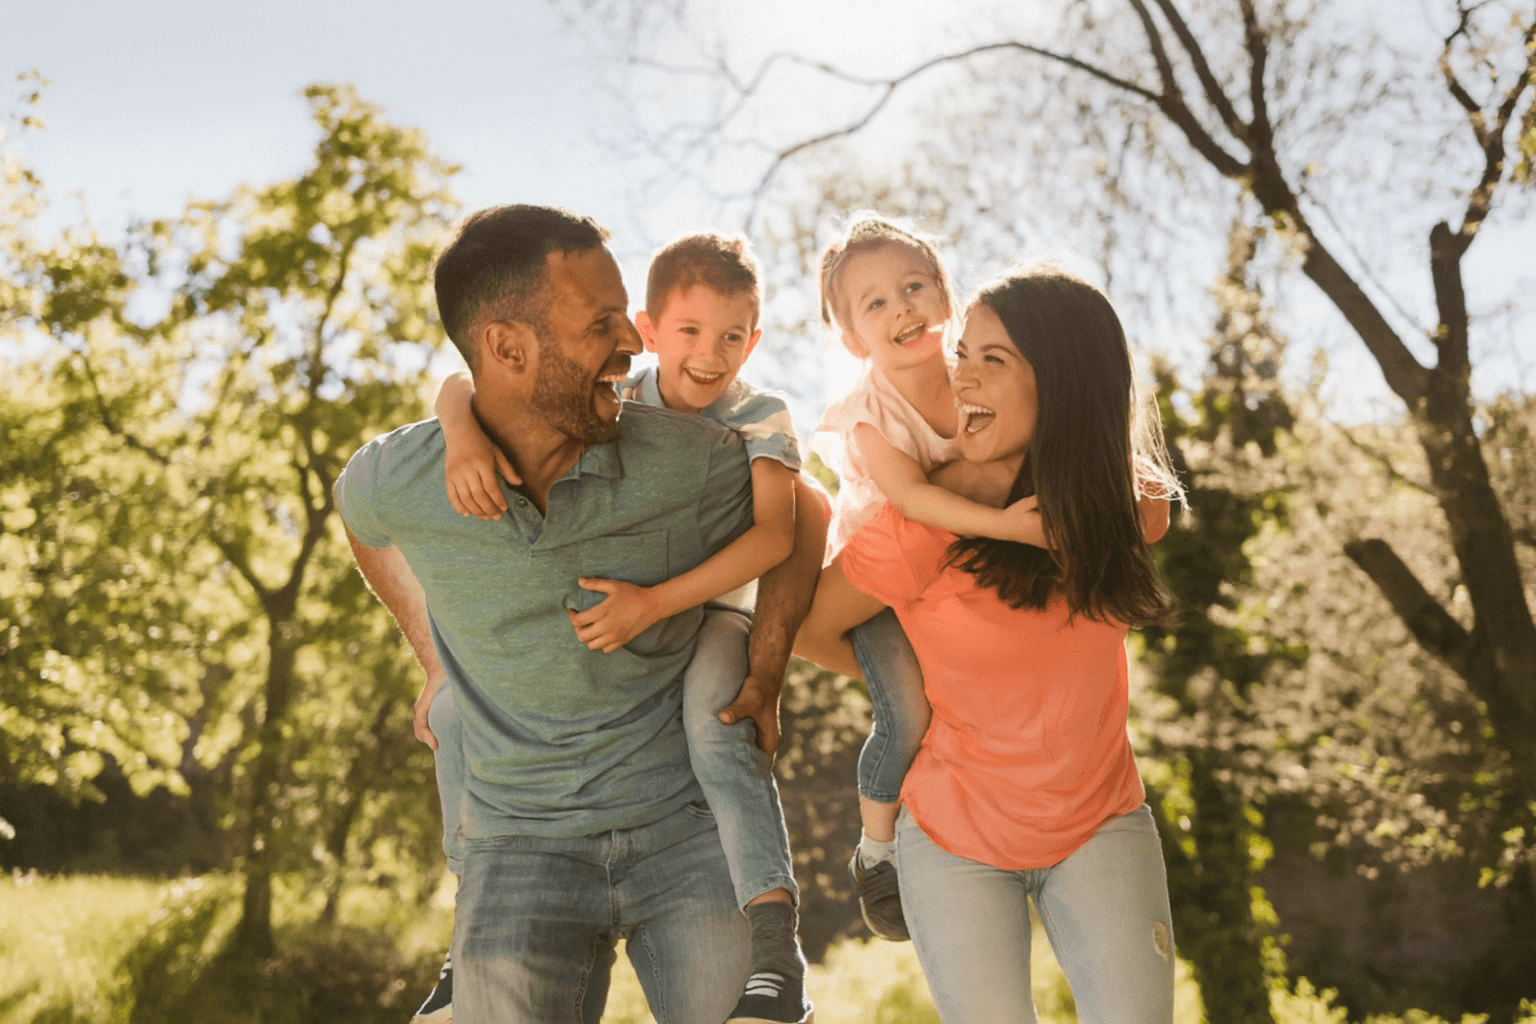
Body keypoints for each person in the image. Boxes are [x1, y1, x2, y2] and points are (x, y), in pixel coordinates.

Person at [337, 205, 818, 1024]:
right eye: (602, 323)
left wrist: (765, 670)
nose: (633, 341)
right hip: (516, 841)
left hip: (684, 826)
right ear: (507, 348)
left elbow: (801, 523)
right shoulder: (405, 477)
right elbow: (359, 516)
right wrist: (434, 657)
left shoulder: (693, 456)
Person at [796, 265, 1181, 1023]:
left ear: (1061, 379)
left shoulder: (1130, 506)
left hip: (1101, 819)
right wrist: (921, 697)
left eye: (992, 359)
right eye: (961, 354)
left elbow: (1125, 483)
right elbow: (812, 630)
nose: (961, 377)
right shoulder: (921, 523)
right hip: (955, 834)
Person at [804, 214, 1047, 941]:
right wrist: (1009, 524)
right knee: (907, 712)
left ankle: (983, 830)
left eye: (914, 288)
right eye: (875, 304)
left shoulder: (975, 376)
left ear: (946, 295)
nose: (901, 309)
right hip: (877, 586)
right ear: (853, 338)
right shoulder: (866, 414)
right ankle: (877, 848)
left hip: (946, 569)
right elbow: (910, 500)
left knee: (979, 696)